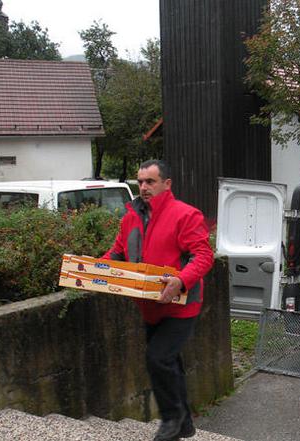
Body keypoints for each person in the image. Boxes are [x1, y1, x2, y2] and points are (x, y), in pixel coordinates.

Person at [103, 159, 213, 441]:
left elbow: (203, 256)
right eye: (139, 182)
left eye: (150, 182)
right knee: (169, 361)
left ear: (167, 184)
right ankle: (185, 423)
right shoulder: (130, 217)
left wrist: (181, 280)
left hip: (182, 305)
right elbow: (116, 254)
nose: (143, 187)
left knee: (158, 358)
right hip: (149, 306)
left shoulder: (186, 215)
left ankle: (171, 421)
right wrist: (91, 270)